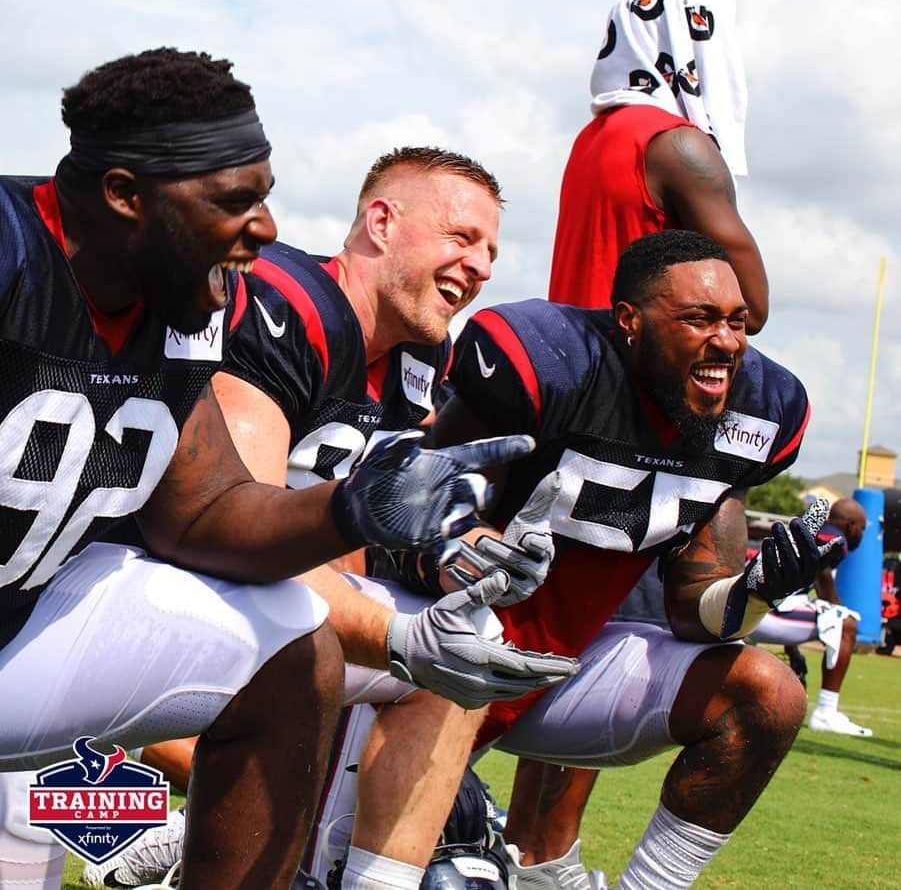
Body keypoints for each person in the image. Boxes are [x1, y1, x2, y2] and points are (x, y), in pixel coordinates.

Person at [0, 51, 568, 890]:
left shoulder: (183, 302)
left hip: (27, 626)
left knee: (291, 653)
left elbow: (204, 512)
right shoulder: (16, 250)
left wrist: (355, 509)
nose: (265, 228)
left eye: (262, 196)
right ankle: (124, 822)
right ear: (126, 195)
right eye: (236, 201)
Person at [425, 230, 830, 888]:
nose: (725, 341)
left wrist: (755, 588)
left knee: (766, 693)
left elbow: (693, 612)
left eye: (734, 322)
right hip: (434, 655)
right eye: (699, 318)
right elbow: (417, 519)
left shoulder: (753, 414)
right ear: (628, 322)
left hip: (561, 666)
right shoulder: (553, 364)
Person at [535, 0, 771, 874]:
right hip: (637, 420)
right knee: (651, 660)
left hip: (573, 399)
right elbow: (748, 296)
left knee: (547, 658)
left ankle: (540, 859)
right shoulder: (675, 144)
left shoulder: (597, 137)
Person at [548, 0, 768, 333]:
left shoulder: (590, 140)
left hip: (572, 363)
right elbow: (749, 310)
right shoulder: (677, 146)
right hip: (632, 375)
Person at [749, 498, 872, 737]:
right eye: (862, 528)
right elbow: (820, 572)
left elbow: (792, 588)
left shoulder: (813, 529)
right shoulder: (836, 538)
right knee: (845, 622)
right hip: (766, 613)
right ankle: (826, 711)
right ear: (850, 525)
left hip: (742, 607)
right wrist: (836, 607)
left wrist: (792, 650)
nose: (861, 534)